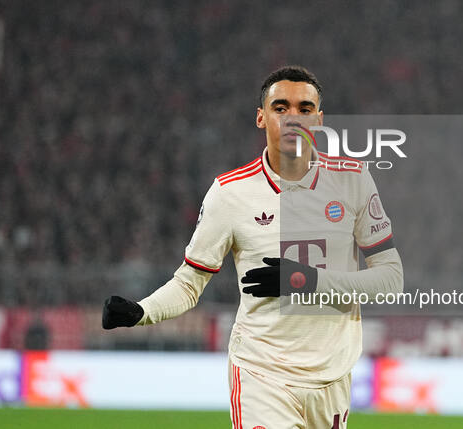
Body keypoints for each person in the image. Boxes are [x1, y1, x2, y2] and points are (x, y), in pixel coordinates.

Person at [102, 66, 403, 429]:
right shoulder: (230, 193)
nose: (293, 118)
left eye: (305, 109)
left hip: (332, 376)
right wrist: (141, 311)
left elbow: (390, 279)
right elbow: (189, 282)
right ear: (261, 117)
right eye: (281, 107)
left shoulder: (353, 179)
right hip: (262, 373)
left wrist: (308, 281)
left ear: (320, 120)